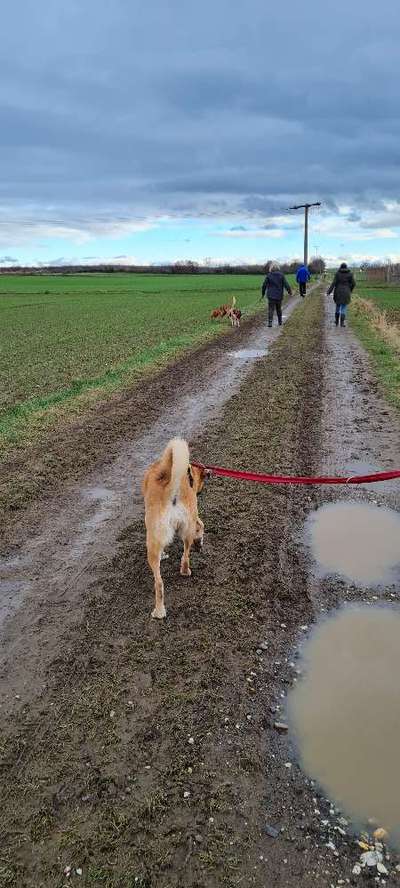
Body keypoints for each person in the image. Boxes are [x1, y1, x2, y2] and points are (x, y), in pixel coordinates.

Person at [261, 262, 292, 327]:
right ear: (278, 268)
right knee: (279, 308)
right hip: (279, 295)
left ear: (271, 268)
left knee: (271, 309)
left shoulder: (269, 275)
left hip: (270, 296)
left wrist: (263, 293)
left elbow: (264, 285)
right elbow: (286, 285)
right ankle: (280, 322)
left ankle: (270, 323)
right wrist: (290, 292)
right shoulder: (281, 275)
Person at [327, 262, 356, 327]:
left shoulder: (337, 274)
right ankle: (342, 323)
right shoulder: (350, 274)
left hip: (338, 292)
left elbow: (333, 283)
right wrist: (350, 290)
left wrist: (329, 291)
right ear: (346, 267)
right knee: (344, 307)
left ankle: (336, 322)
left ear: (340, 267)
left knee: (337, 306)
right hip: (346, 292)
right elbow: (354, 283)